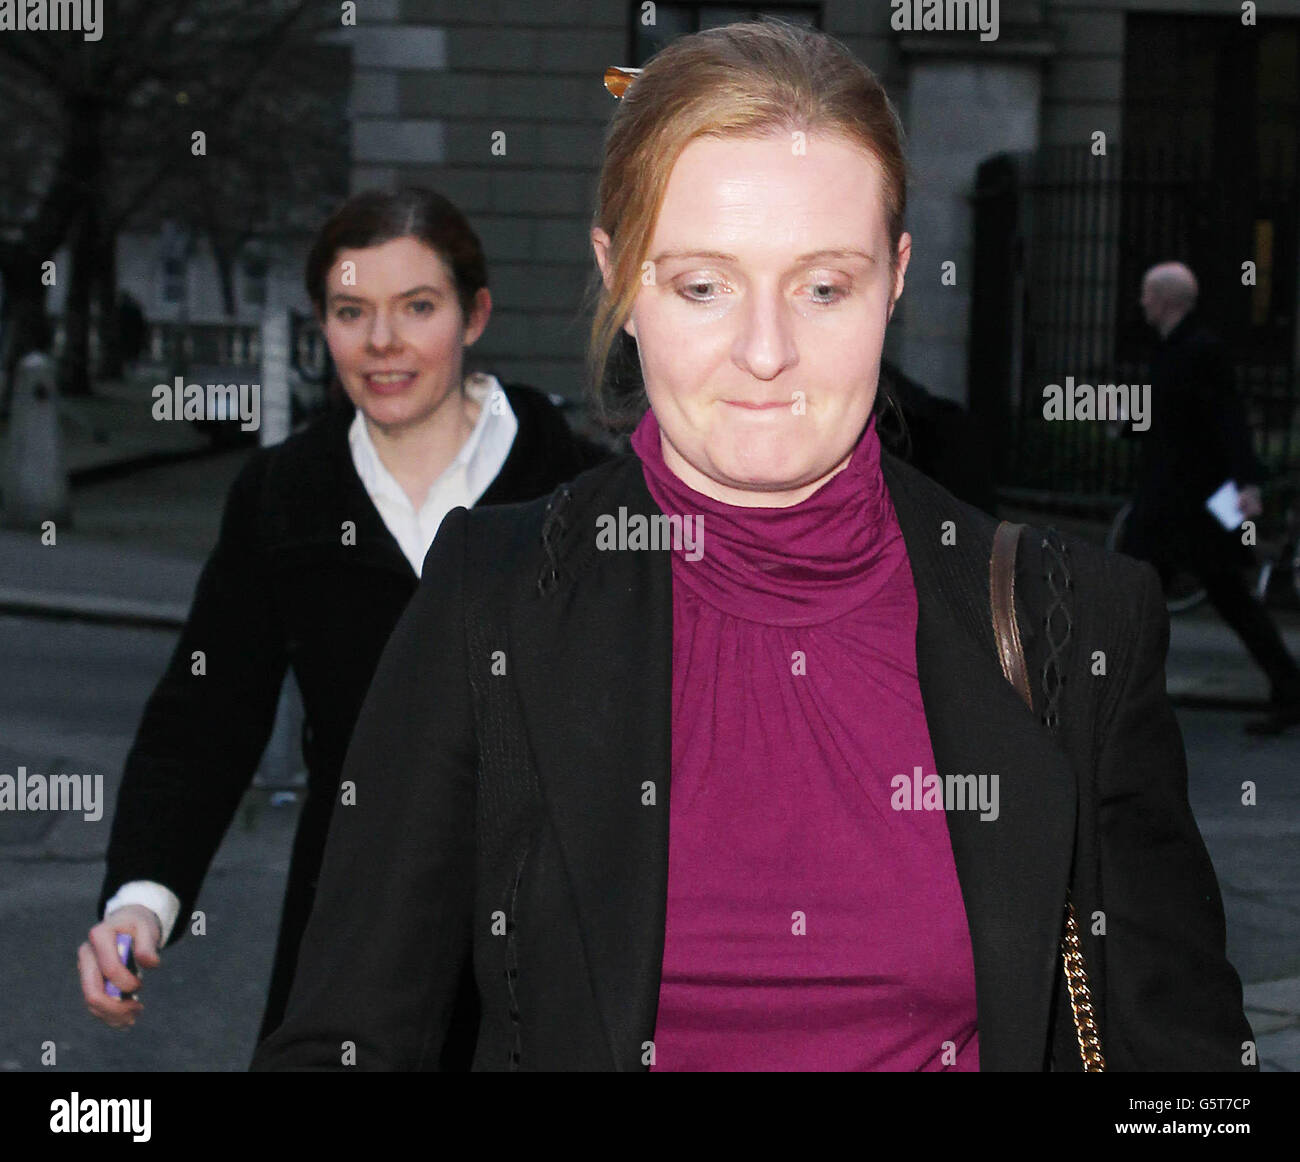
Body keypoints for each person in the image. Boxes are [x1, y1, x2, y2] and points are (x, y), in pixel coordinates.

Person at [252, 23, 1252, 1072]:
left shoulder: (1066, 621)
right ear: (620, 276)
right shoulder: (490, 600)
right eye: (702, 286)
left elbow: (1182, 1066)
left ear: (896, 277)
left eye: (823, 286)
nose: (767, 353)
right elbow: (344, 1039)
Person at [78, 187, 607, 1057]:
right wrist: (140, 902)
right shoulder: (285, 497)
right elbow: (204, 718)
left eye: (417, 308)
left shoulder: (576, 495)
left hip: (542, 942)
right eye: (351, 311)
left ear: (474, 315)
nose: (382, 343)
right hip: (348, 930)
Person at [1119, 261, 1300, 734]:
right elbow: (1171, 418)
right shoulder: (1172, 350)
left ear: (1165, 300)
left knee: (1222, 597)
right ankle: (1122, 695)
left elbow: (1228, 420)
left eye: (1146, 294)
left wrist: (1247, 484)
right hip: (1171, 503)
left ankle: (1289, 686)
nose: (1141, 303)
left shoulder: (1202, 351)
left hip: (1193, 506)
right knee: (1143, 593)